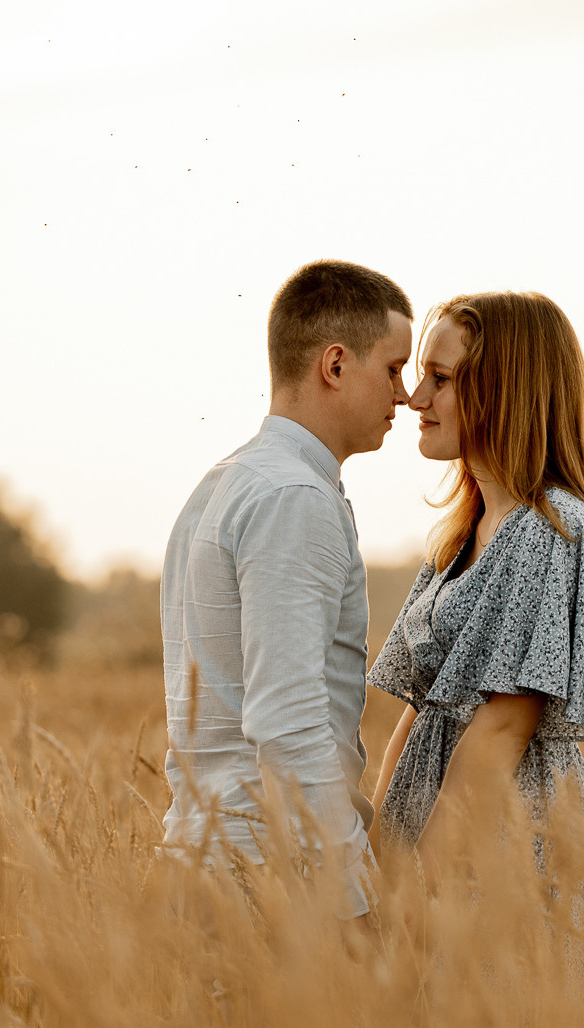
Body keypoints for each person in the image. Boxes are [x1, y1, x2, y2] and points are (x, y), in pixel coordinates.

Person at [161, 260, 413, 919]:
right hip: (271, 876)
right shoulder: (294, 496)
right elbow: (287, 719)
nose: (406, 393)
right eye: (393, 368)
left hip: (209, 858)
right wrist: (352, 902)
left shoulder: (228, 481)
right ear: (336, 365)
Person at [367, 292, 584, 861]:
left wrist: (421, 884)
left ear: (503, 391)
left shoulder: (552, 529)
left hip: (502, 852)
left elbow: (502, 729)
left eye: (441, 378)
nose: (416, 398)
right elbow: (422, 708)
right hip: (429, 838)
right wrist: (375, 860)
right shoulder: (458, 535)